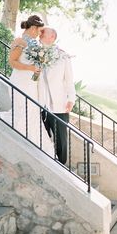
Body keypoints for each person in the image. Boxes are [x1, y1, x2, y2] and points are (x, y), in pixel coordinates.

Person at [6, 15, 54, 156]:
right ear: (33, 28)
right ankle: (19, 144)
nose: (40, 34)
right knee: (22, 111)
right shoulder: (19, 41)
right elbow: (12, 62)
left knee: (32, 112)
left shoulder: (35, 45)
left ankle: (33, 145)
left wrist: (38, 71)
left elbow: (36, 66)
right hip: (20, 82)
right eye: (39, 31)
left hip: (31, 84)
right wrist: (30, 68)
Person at [38, 27, 76, 164]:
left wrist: (71, 99)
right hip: (39, 104)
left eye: (43, 32)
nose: (40, 34)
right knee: (41, 138)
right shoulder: (35, 54)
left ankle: (62, 166)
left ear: (52, 37)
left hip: (59, 106)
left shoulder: (63, 56)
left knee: (61, 141)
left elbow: (69, 81)